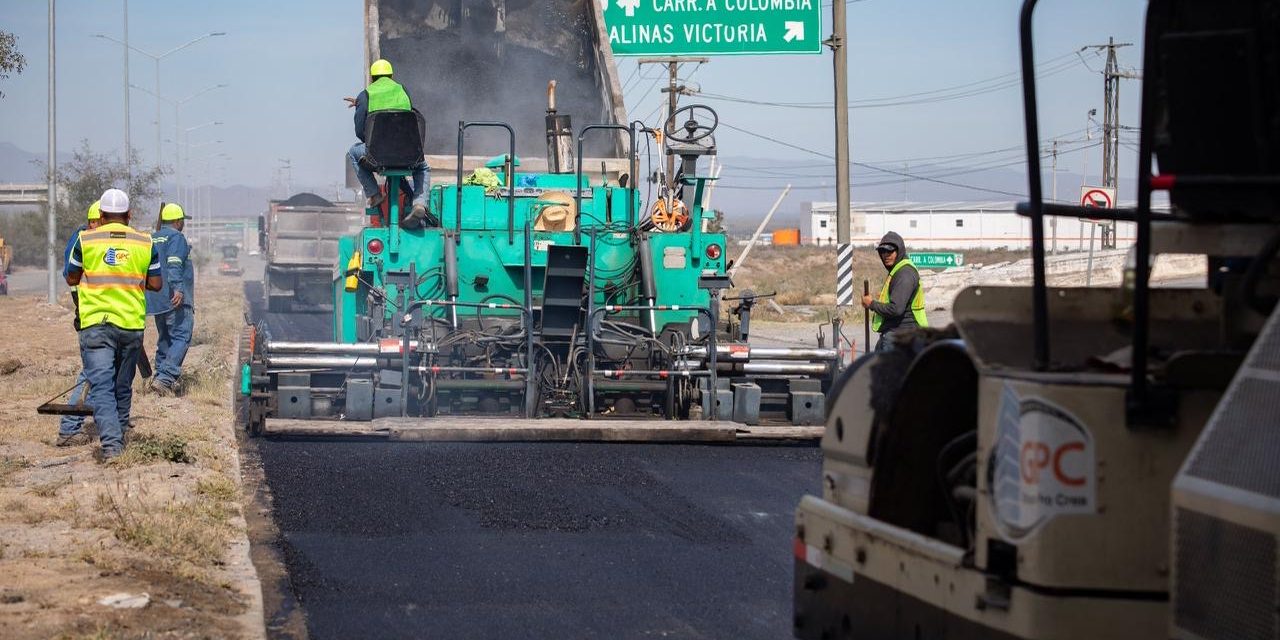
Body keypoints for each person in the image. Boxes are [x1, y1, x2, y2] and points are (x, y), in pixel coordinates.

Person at [64, 189, 163, 461]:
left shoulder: (85, 240)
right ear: (129, 215)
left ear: (101, 214)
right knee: (122, 386)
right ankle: (118, 437)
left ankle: (112, 447)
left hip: (96, 324)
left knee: (102, 387)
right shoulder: (145, 242)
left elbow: (71, 278)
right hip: (130, 325)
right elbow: (156, 284)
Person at [345, 58, 429, 224]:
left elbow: (359, 131)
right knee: (423, 167)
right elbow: (407, 119)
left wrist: (360, 105)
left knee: (353, 153)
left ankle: (374, 194)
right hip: (407, 154)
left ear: (372, 78)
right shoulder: (403, 91)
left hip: (377, 155)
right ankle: (419, 203)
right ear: (391, 76)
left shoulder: (365, 95)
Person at [55, 200, 102, 447]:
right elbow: (74, 280)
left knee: (101, 373)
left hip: (92, 315)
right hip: (91, 317)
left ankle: (107, 421)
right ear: (95, 221)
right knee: (93, 372)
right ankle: (70, 428)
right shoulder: (85, 242)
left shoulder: (86, 240)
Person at [146, 202, 194, 396]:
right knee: (182, 336)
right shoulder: (177, 238)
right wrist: (178, 290)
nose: (183, 224)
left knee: (165, 338)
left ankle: (159, 378)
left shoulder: (152, 238)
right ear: (177, 221)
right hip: (175, 299)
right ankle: (165, 378)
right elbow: (174, 264)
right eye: (182, 220)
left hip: (157, 299)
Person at [861, 231, 928, 351]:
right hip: (897, 335)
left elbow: (896, 309)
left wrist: (871, 304)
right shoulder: (898, 270)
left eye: (890, 251)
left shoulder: (904, 274)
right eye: (882, 252)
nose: (886, 255)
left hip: (901, 337)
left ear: (899, 251)